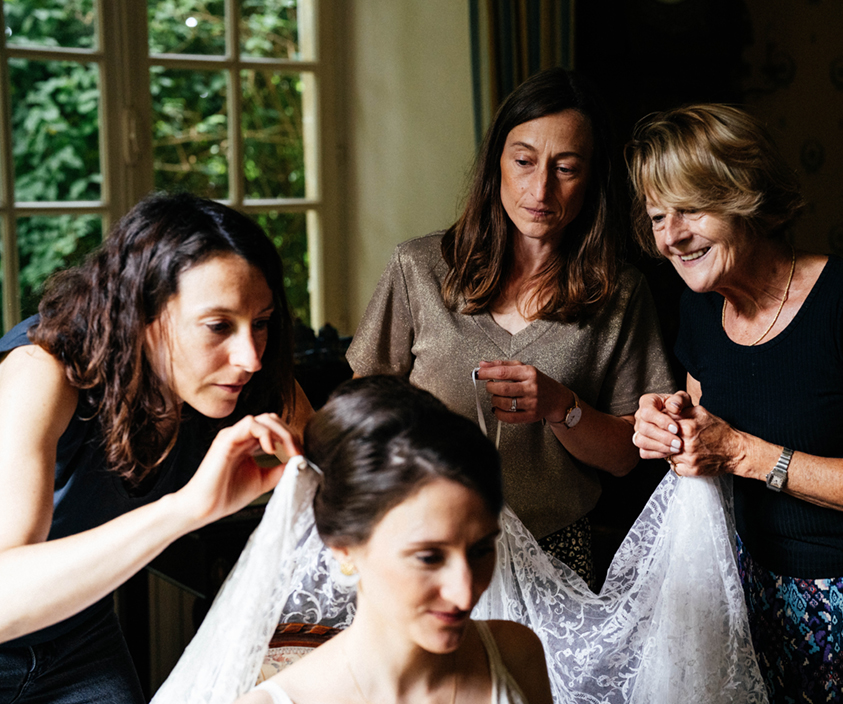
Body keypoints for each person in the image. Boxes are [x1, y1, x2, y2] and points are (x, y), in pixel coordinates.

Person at [626, 104, 843, 702]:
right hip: (758, 601)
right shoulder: (702, 312)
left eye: (692, 209)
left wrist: (745, 453)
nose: (672, 236)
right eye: (659, 216)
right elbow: (708, 442)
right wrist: (669, 430)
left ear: (745, 197)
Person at [346, 68, 675, 585]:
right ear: (496, 162)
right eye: (523, 161)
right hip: (427, 539)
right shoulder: (419, 268)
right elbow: (360, 408)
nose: (540, 187)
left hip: (558, 547)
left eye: (566, 168)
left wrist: (560, 407)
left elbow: (624, 458)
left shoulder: (621, 292)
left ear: (591, 179)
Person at [0, 192, 311, 703]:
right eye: (218, 326)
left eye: (260, 322)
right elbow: (7, 597)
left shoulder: (249, 378)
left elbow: (345, 464)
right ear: (140, 311)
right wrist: (186, 510)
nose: (250, 356)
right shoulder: (44, 372)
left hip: (80, 635)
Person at [232, 376, 552, 704]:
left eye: (481, 550)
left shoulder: (516, 653)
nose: (465, 592)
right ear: (344, 548)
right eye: (429, 557)